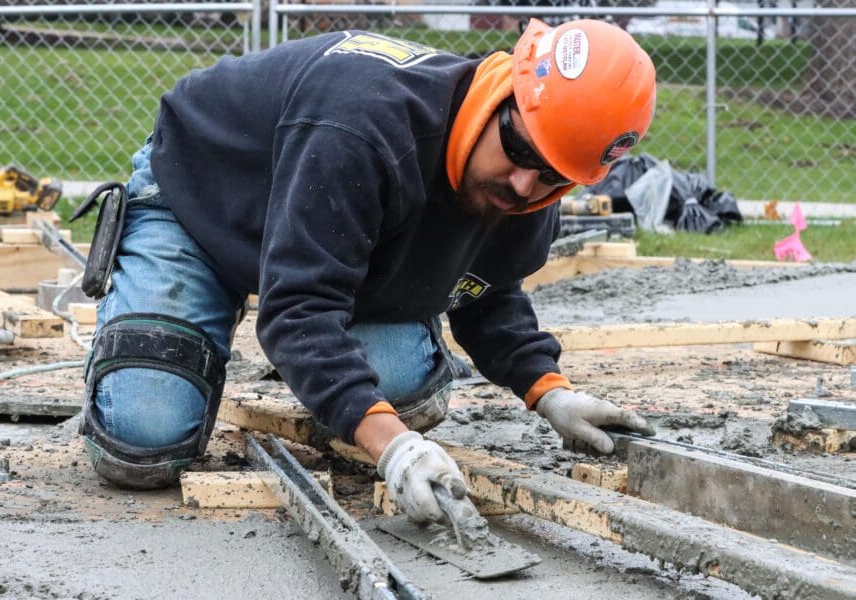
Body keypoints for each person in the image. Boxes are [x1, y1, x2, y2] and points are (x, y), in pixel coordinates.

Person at [77, 18, 657, 523]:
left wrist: (549, 391)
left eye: (555, 174)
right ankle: (161, 321)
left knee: (402, 393)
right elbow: (297, 312)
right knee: (143, 441)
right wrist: (393, 450)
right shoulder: (362, 129)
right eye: (519, 148)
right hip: (203, 201)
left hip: (322, 226)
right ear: (505, 88)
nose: (527, 184)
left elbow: (487, 290)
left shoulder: (525, 192)